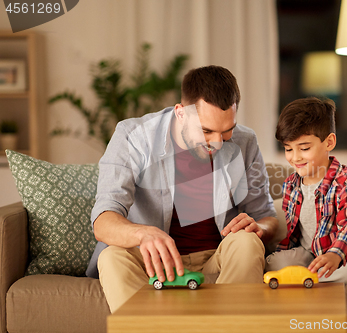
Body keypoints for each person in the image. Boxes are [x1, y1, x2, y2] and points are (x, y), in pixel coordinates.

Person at [86, 65, 278, 312]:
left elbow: (267, 217)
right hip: (152, 261)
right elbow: (104, 219)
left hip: (215, 257)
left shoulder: (245, 140)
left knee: (247, 242)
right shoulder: (133, 135)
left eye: (227, 131)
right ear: (180, 113)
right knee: (111, 257)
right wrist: (142, 234)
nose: (218, 143)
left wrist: (258, 227)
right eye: (206, 131)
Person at [265, 97, 347, 284]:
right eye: (288, 149)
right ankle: (312, 278)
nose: (295, 157)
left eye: (304, 148)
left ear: (329, 142)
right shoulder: (290, 185)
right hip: (309, 255)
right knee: (275, 262)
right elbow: (293, 234)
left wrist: (335, 254)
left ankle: (305, 280)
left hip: (343, 255)